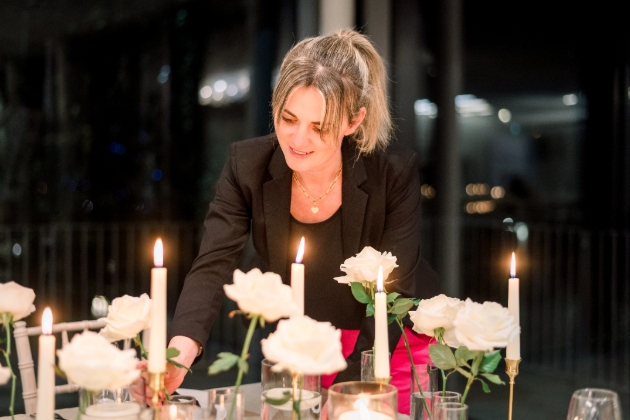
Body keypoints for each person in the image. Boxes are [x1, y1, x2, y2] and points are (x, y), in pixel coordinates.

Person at [164, 29, 439, 411]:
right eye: (288, 118)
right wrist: (179, 350)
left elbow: (396, 290)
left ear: (353, 121)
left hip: (382, 344)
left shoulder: (392, 172)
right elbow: (213, 264)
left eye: (319, 126)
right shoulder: (248, 166)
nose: (298, 139)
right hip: (298, 340)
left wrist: (347, 393)